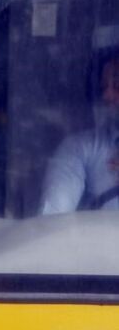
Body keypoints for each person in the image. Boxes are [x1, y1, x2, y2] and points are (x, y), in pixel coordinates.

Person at [40, 48, 119, 214]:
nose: (107, 96)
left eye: (117, 85)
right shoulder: (80, 148)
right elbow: (51, 221)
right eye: (103, 87)